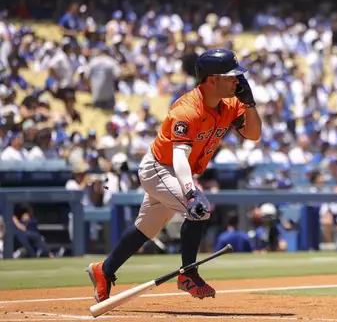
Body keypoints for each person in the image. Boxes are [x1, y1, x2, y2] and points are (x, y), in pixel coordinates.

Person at [86, 49, 262, 303]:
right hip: (160, 167)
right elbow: (179, 156)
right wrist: (190, 192)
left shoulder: (232, 104)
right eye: (231, 76)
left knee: (145, 228)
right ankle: (188, 274)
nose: (238, 81)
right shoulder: (187, 109)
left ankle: (104, 270)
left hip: (177, 171)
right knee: (199, 208)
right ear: (212, 80)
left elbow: (253, 134)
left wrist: (250, 104)